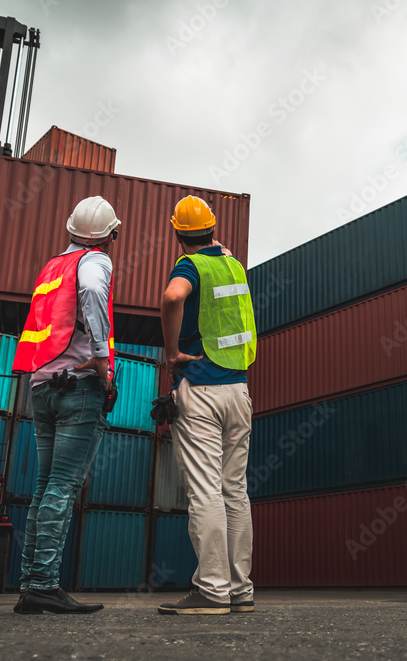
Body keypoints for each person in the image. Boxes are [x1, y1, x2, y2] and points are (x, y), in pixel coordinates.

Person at [11, 196, 119, 615]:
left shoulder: (51, 267)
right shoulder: (96, 262)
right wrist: (100, 358)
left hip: (41, 386)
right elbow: (93, 290)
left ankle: (30, 585)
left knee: (43, 486)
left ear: (69, 227)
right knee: (63, 485)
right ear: (113, 234)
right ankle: (43, 584)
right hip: (78, 386)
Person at [158, 195, 257, 615]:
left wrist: (172, 353)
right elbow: (224, 255)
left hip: (200, 389)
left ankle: (212, 591)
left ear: (177, 232)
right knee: (234, 490)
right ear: (213, 229)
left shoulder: (189, 266)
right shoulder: (232, 264)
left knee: (204, 492)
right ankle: (240, 590)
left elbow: (171, 297)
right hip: (239, 391)